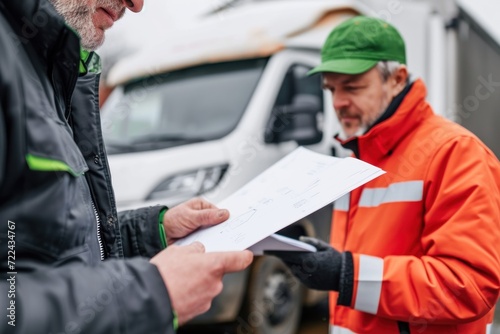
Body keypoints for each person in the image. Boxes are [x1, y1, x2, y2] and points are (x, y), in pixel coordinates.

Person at [0, 0, 253, 333]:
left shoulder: (48, 70)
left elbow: (34, 247)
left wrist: (152, 231)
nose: (136, 5)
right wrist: (148, 293)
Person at [267, 16, 500, 333]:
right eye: (331, 89)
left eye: (352, 87)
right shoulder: (357, 157)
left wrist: (345, 273)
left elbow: (469, 286)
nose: (338, 103)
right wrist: (326, 259)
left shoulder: (455, 153)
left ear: (397, 79)